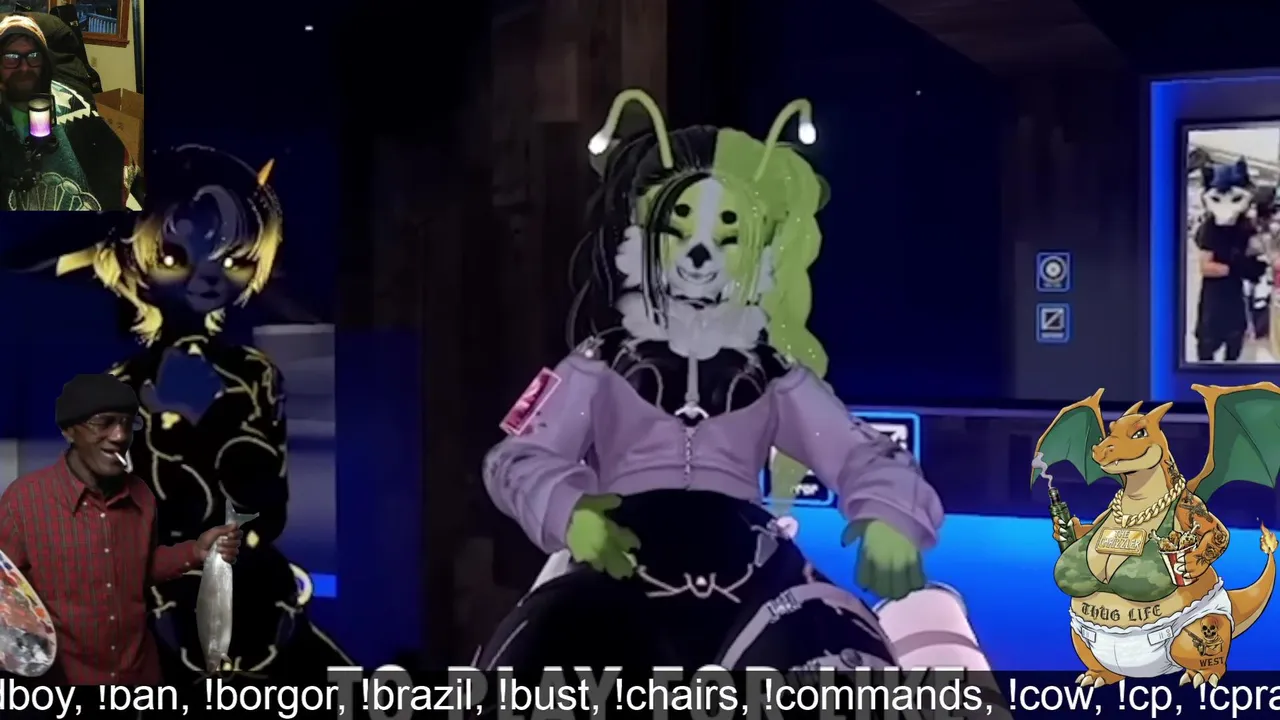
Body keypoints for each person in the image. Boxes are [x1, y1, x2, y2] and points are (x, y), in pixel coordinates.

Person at [477, 90, 944, 674]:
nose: (701, 255)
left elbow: (861, 453)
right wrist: (569, 512)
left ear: (755, 254)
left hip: (754, 577)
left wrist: (889, 516)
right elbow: (516, 456)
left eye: (727, 236)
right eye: (679, 230)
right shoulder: (595, 362)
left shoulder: (775, 373)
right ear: (643, 240)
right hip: (614, 573)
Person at [0, 373, 242, 686]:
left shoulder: (142, 496)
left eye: (128, 423)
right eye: (104, 423)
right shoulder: (23, 501)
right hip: (65, 688)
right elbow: (5, 593)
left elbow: (138, 570)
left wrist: (196, 551)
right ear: (69, 430)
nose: (119, 435)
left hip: (140, 681)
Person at [0, 14, 140, 211]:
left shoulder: (73, 105)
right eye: (11, 58)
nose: (24, 67)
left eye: (33, 57)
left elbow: (111, 165)